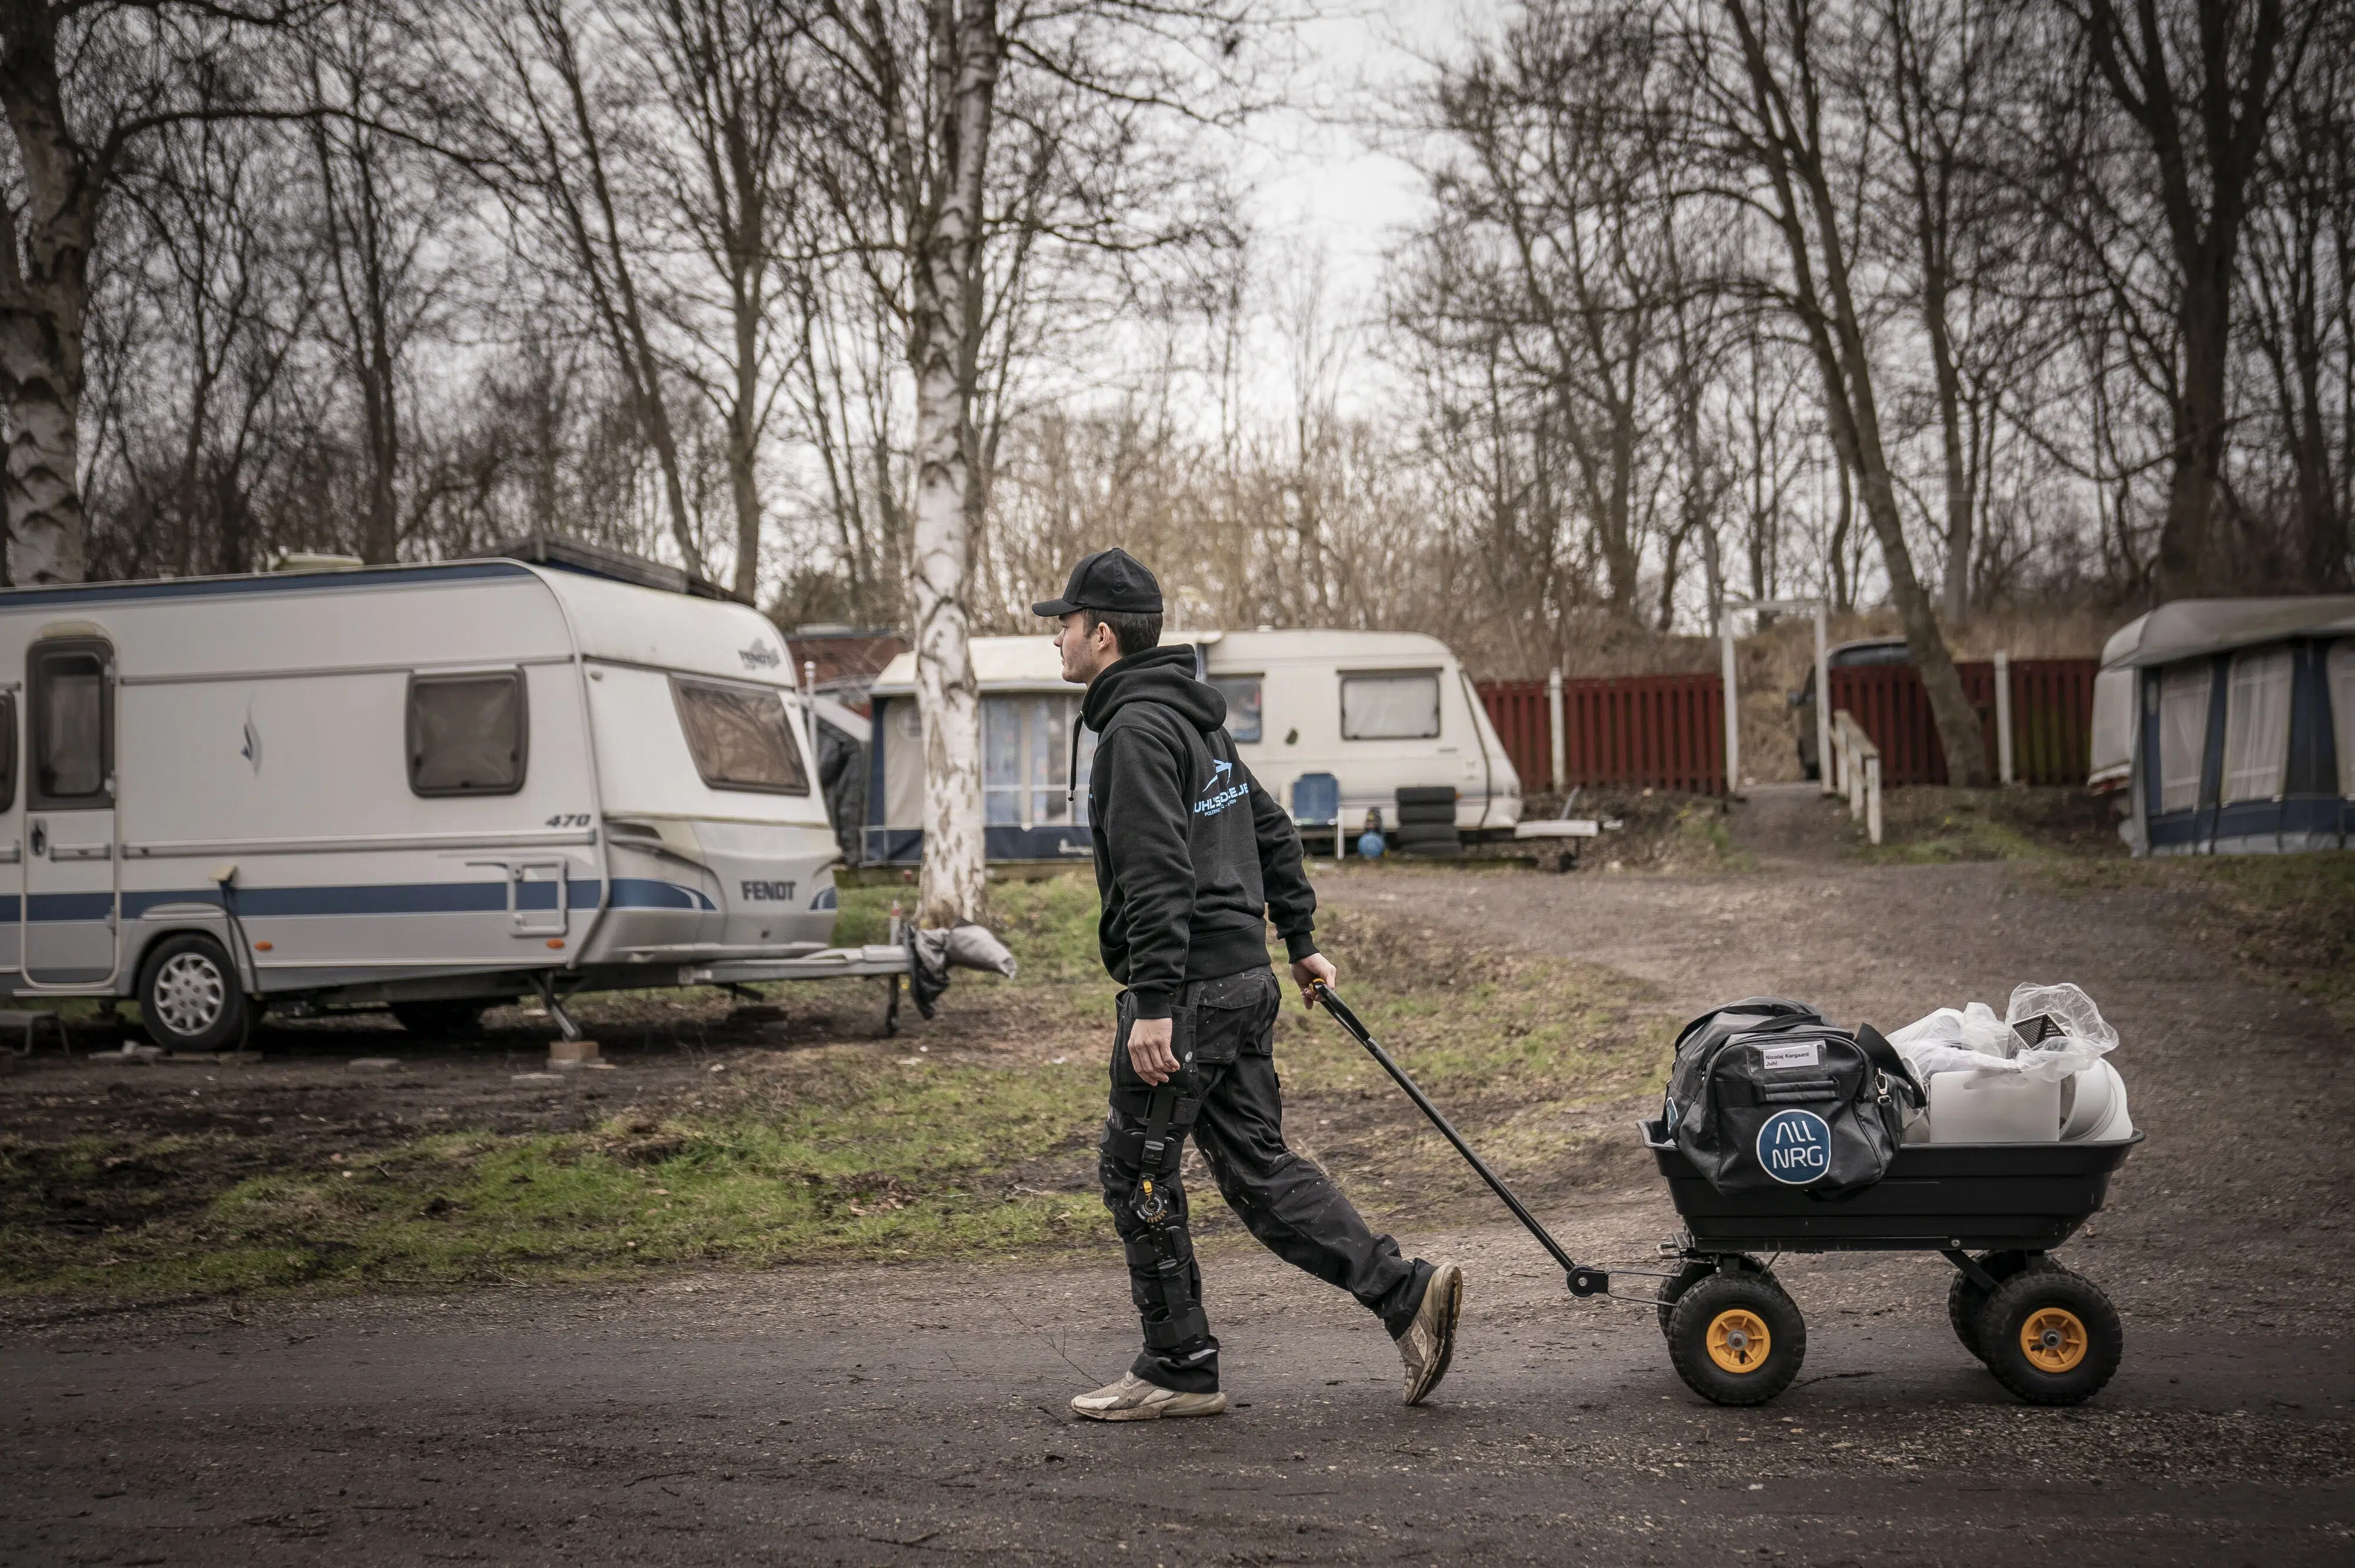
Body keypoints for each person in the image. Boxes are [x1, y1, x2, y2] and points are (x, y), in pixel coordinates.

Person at [1035, 547, 1464, 1422]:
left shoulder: (1134, 734)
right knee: (1260, 1171)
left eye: (1065, 626)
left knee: (1137, 1175)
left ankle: (1177, 1367)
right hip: (1242, 984)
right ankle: (1406, 1292)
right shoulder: (1200, 727)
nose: (1058, 642)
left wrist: (1152, 1004)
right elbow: (1271, 827)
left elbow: (1157, 877)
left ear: (1103, 635)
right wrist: (1299, 941)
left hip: (1187, 997)